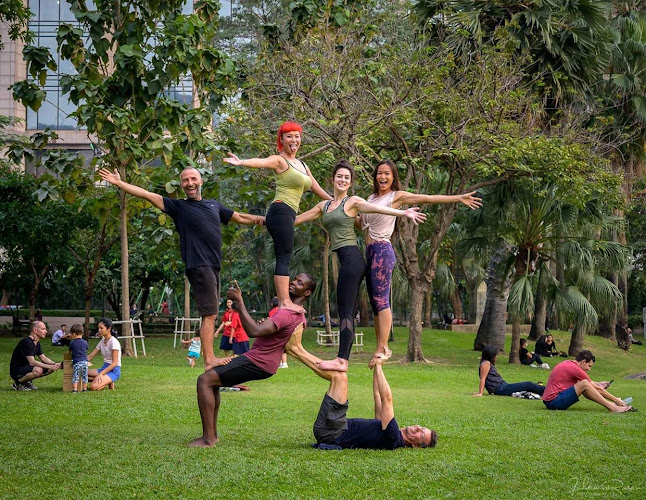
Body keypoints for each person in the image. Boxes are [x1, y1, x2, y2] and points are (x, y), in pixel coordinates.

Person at [99, 167, 264, 370]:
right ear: (182, 185)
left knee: (210, 313)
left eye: (193, 178)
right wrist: (120, 183)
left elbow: (240, 217)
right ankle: (210, 360)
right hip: (199, 264)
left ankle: (209, 358)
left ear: (201, 181)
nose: (189, 183)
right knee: (210, 314)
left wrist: (264, 220)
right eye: (185, 180)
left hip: (213, 266)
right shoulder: (178, 207)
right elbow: (146, 194)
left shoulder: (214, 205)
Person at [295, 160, 427, 372]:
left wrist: (404, 213)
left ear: (350, 183)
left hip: (354, 258)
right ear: (333, 179)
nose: (342, 179)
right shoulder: (328, 206)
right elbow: (298, 218)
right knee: (354, 307)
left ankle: (343, 360)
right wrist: (268, 220)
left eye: (347, 177)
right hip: (356, 256)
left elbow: (378, 209)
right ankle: (360, 353)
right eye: (339, 176)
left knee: (349, 310)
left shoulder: (355, 201)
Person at [361, 160, 481, 361]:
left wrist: (458, 198)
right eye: (379, 173)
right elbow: (361, 223)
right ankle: (379, 345)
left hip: (382, 250)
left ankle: (383, 348)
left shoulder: (396, 196)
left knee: (381, 300)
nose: (382, 177)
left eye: (387, 174)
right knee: (375, 303)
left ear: (393, 178)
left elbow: (428, 197)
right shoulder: (370, 198)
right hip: (369, 250)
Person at [189, 274, 315, 447]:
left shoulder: (288, 312)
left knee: (204, 381)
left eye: (300, 283)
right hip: (264, 362)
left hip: (258, 361)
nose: (293, 282)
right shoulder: (299, 315)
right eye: (294, 279)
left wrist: (239, 302)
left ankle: (208, 439)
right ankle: (212, 435)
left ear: (307, 292)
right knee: (212, 380)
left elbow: (253, 331)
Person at [223, 121, 332, 313]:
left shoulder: (303, 164)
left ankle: (284, 301)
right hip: (280, 211)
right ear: (281, 139)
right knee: (284, 257)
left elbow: (315, 186)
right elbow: (262, 162)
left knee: (284, 256)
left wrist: (335, 201)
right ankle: (284, 302)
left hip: (287, 214)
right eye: (289, 136)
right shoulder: (280, 160)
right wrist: (242, 162)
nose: (294, 140)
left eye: (297, 136)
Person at [284, 328, 437, 450]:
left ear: (415, 446)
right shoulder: (388, 430)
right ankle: (293, 349)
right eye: (422, 427)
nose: (418, 428)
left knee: (340, 377)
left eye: (421, 434)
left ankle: (296, 348)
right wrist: (376, 365)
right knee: (339, 376)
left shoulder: (393, 438)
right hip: (332, 427)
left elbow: (387, 398)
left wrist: (379, 364)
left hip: (332, 430)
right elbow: (378, 395)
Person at [542, 350, 633, 412]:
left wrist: (598, 383)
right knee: (584, 384)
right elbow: (596, 388)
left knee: (584, 384)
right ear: (583, 362)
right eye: (589, 366)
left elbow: (590, 384)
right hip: (554, 403)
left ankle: (612, 405)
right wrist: (616, 399)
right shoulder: (575, 369)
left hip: (551, 402)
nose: (589, 369)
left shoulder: (570, 364)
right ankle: (613, 408)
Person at [473, 345, 545, 397]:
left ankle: (546, 391)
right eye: (495, 355)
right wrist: (480, 393)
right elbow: (483, 378)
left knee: (528, 386)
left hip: (502, 386)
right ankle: (548, 391)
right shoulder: (486, 364)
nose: (496, 357)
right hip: (500, 388)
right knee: (528, 384)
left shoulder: (486, 363)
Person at [10, 321, 61, 391]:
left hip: (27, 368)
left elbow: (43, 357)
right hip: (16, 370)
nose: (46, 331)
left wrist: (55, 364)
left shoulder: (36, 342)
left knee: (50, 370)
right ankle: (18, 383)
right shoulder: (27, 342)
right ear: (35, 330)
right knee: (38, 370)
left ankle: (27, 382)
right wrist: (49, 366)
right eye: (43, 329)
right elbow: (32, 362)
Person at [87, 317, 121, 391]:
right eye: (98, 328)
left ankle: (108, 380)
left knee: (93, 387)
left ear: (108, 329)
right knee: (81, 372)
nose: (99, 330)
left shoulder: (113, 342)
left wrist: (101, 374)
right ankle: (105, 379)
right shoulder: (102, 341)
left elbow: (115, 363)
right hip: (105, 368)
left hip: (113, 370)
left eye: (101, 328)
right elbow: (90, 356)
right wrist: (78, 362)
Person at [68, 324, 89, 392]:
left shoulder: (72, 343)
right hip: (85, 362)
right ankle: (84, 389)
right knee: (85, 376)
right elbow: (86, 349)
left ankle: (75, 389)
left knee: (76, 376)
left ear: (74, 334)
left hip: (77, 362)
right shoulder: (85, 342)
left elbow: (69, 352)